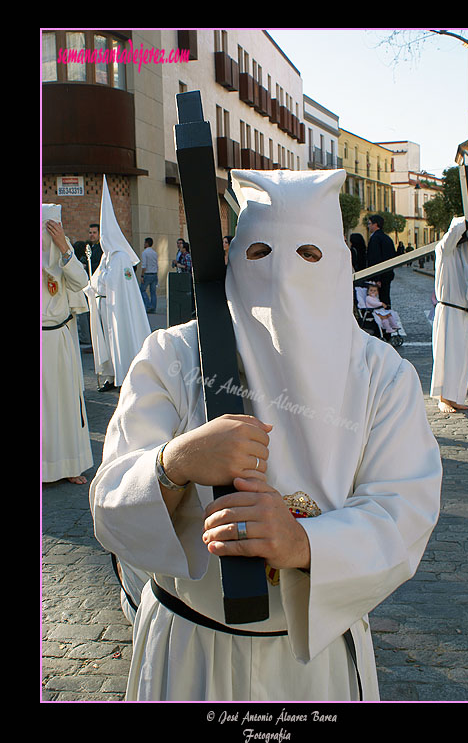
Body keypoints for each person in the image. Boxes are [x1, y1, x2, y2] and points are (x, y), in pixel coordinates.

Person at [90, 168, 442, 702]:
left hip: (313, 663)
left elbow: (406, 509)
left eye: (309, 254)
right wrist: (173, 463)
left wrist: (305, 543)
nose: (283, 276)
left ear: (337, 261)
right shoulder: (173, 357)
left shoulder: (382, 375)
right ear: (234, 257)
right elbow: (111, 504)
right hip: (191, 654)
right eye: (260, 254)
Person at [84, 176, 151, 393]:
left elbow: (119, 285)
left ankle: (124, 375)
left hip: (118, 308)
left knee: (120, 340)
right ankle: (112, 375)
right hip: (105, 307)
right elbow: (97, 280)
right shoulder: (107, 257)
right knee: (109, 344)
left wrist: (103, 284)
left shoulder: (121, 257)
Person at [42, 204, 93, 485]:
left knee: (66, 404)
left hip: (60, 340)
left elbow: (81, 282)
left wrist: (64, 247)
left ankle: (71, 464)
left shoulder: (64, 259)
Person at [430, 216, 468, 413]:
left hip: (465, 312)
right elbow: (456, 228)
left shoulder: (467, 257)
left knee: (462, 359)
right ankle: (442, 398)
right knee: (446, 355)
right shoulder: (444, 251)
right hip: (449, 310)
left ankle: (456, 396)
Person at [366, 215, 396, 306]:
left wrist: (377, 278)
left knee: (380, 300)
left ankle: (384, 318)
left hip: (380, 276)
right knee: (386, 297)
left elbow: (375, 259)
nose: (368, 226)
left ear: (375, 224)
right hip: (387, 274)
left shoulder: (375, 238)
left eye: (369, 223)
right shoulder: (387, 238)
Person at [140, 237, 158, 313]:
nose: (144, 244)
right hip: (154, 274)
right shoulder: (154, 253)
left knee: (142, 290)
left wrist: (142, 275)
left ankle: (148, 305)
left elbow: (144, 266)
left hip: (147, 274)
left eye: (144, 243)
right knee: (153, 292)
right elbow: (156, 264)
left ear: (147, 243)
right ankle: (153, 307)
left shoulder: (144, 253)